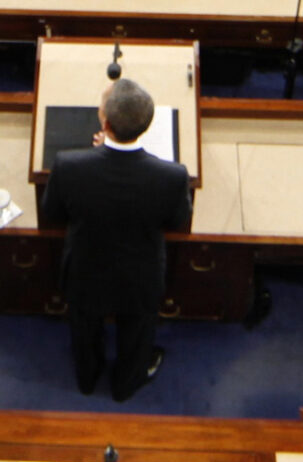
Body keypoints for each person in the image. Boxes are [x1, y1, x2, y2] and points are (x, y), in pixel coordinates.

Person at [40, 77, 194, 401]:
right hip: (140, 278)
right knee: (138, 334)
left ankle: (87, 376)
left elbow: (52, 212)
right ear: (146, 126)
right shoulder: (172, 176)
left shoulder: (69, 166)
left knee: (84, 330)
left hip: (85, 272)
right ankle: (126, 384)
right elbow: (178, 221)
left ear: (105, 122)